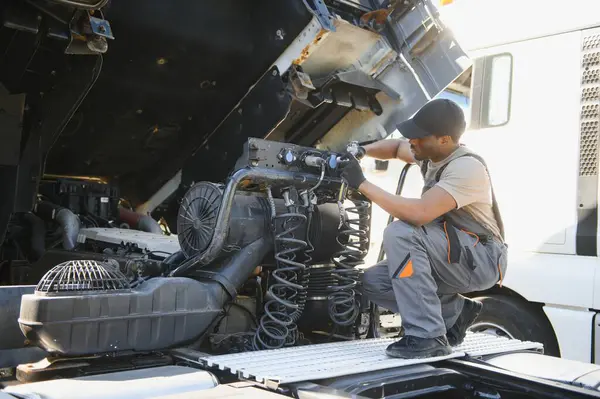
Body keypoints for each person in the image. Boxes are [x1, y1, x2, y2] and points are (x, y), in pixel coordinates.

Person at [340, 98, 508, 359]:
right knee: (373, 283)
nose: (412, 142)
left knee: (400, 233)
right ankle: (456, 312)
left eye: (419, 137)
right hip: (453, 253)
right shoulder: (431, 154)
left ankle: (426, 337)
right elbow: (396, 148)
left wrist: (361, 183)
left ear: (444, 140)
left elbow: (419, 214)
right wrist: (361, 151)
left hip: (482, 258)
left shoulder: (466, 167)